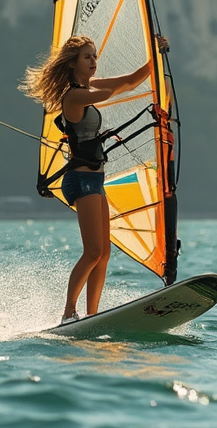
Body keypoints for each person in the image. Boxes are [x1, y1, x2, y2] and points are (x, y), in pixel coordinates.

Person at [21, 33, 168, 320]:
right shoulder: (75, 95)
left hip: (96, 183)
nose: (94, 61)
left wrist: (155, 56)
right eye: (87, 57)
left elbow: (128, 82)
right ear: (73, 63)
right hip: (81, 180)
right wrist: (114, 85)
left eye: (95, 56)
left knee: (104, 255)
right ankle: (68, 312)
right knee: (92, 252)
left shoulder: (88, 88)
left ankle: (92, 315)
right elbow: (108, 93)